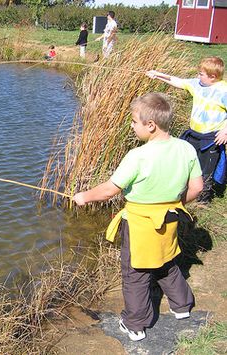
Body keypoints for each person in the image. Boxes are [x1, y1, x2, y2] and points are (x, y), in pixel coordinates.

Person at [73, 93, 203, 342]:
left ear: (150, 125)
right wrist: (175, 203)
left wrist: (84, 197)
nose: (131, 126)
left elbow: (110, 189)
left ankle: (134, 324)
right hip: (171, 216)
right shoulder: (186, 148)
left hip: (140, 223)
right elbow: (197, 187)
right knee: (167, 260)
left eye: (134, 122)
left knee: (136, 272)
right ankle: (182, 306)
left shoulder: (137, 156)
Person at [146, 57, 227, 203]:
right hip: (194, 133)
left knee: (206, 168)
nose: (198, 76)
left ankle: (203, 199)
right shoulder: (198, 84)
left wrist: (225, 131)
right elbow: (177, 81)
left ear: (213, 77)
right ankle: (186, 190)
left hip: (212, 138)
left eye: (201, 74)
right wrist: (157, 74)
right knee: (189, 162)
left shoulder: (223, 90)